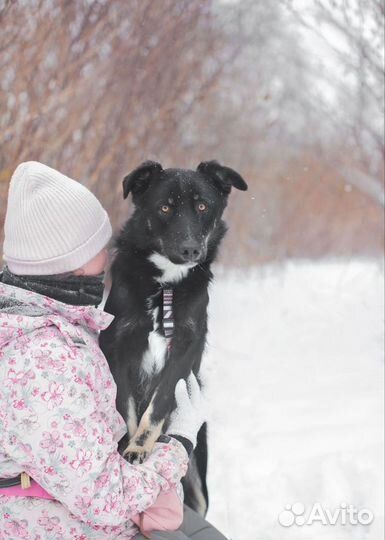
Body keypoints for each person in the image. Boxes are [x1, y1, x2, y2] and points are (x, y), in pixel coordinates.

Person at [0, 162, 228, 540]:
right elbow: (105, 498)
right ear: (71, 263)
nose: (112, 253)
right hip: (66, 526)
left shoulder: (54, 324)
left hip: (90, 511)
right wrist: (180, 441)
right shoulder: (41, 362)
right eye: (100, 245)